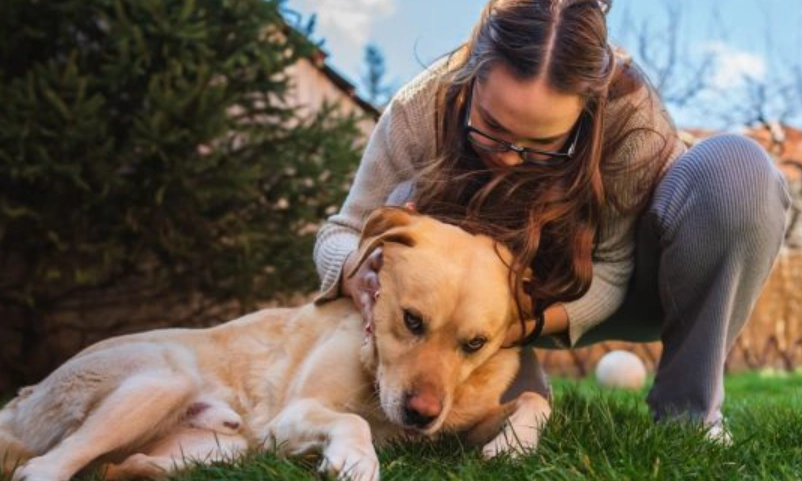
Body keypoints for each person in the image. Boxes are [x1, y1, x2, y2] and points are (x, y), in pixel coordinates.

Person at [313, 0, 790, 440]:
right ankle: (492, 395)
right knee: (405, 200)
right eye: (493, 130)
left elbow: (612, 274)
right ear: (472, 77)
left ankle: (691, 416)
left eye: (541, 145)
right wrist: (359, 267)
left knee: (737, 172)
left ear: (586, 109)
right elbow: (342, 233)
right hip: (472, 312)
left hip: (626, 289)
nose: (510, 160)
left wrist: (513, 324)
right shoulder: (420, 109)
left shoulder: (629, 112)